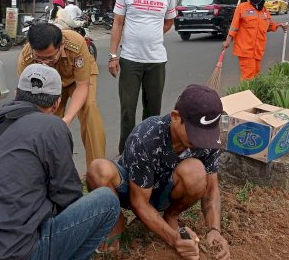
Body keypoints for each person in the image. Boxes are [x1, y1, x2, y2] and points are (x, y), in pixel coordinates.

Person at [0, 64, 120, 260]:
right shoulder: (52, 126)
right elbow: (67, 195)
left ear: (16, 94)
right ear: (57, 103)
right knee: (107, 201)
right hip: (13, 254)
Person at [86, 84, 231, 260]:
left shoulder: (208, 139)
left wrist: (214, 229)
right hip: (133, 190)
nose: (201, 140)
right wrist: (174, 239)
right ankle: (116, 221)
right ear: (175, 117)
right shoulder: (145, 137)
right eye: (196, 132)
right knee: (98, 169)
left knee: (196, 172)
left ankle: (171, 216)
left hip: (167, 192)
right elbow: (139, 202)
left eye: (206, 134)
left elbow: (210, 188)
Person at [109, 0, 177, 154]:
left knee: (152, 111)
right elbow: (118, 23)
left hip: (156, 61)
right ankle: (126, 154)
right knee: (128, 111)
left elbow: (169, 22)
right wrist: (113, 56)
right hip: (130, 60)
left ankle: (148, 152)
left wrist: (152, 37)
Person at [17, 22, 105, 167]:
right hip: (47, 85)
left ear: (61, 45)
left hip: (76, 79)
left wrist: (67, 119)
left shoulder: (76, 43)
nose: (45, 63)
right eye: (39, 58)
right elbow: (24, 93)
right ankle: (55, 170)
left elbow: (82, 85)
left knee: (89, 109)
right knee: (48, 121)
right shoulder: (26, 58)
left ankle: (97, 169)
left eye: (50, 58)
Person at [222, 0, 289, 81]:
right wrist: (228, 40)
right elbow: (234, 26)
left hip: (258, 50)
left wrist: (280, 25)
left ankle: (253, 94)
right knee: (248, 76)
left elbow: (268, 26)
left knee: (256, 74)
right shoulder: (242, 8)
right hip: (245, 49)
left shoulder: (264, 11)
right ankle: (245, 95)